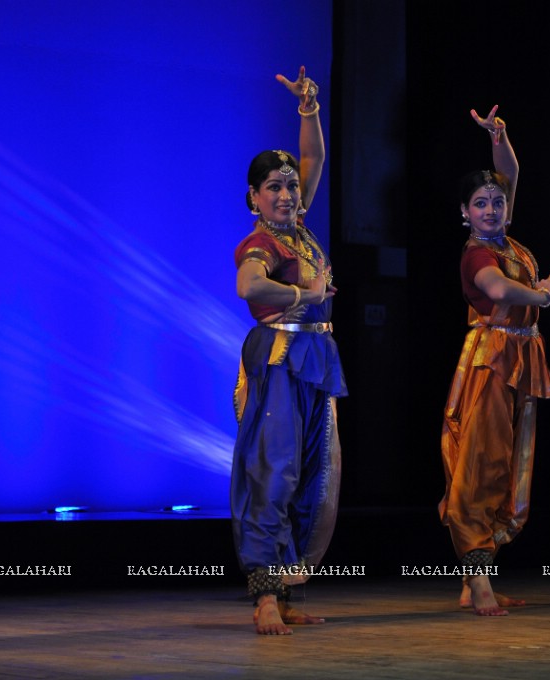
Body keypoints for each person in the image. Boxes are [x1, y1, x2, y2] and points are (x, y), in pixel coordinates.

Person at [230, 67, 346, 635]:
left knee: (313, 476)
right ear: (253, 197)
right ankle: (265, 595)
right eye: (273, 187)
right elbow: (250, 288)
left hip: (314, 359)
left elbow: (315, 162)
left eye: (290, 186)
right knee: (273, 472)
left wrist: (308, 110)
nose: (286, 193)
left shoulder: (298, 233)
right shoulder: (259, 243)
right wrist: (306, 293)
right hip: (278, 356)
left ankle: (288, 584)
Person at [438, 106, 550, 616]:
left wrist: (499, 137)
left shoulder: (505, 239)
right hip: (491, 361)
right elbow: (497, 288)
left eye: (496, 203)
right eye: (480, 204)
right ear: (465, 213)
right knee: (481, 463)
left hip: (519, 357)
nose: (491, 209)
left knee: (510, 465)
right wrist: (541, 298)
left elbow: (509, 174)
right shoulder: (477, 254)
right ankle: (477, 575)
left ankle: (477, 578)